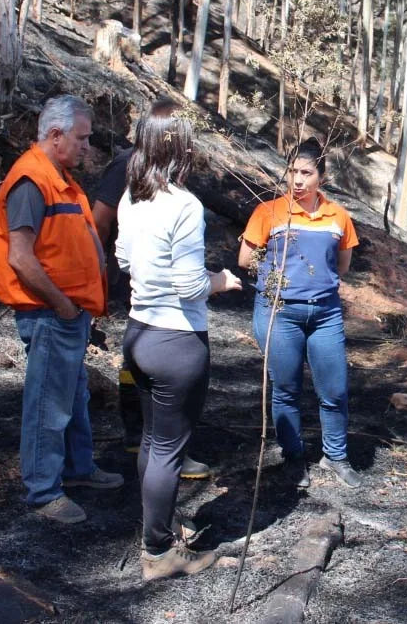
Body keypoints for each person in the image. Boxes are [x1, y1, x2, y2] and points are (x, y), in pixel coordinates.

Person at [116, 112, 243, 580]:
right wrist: (223, 280)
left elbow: (125, 259)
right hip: (176, 341)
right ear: (182, 150)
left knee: (152, 440)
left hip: (139, 334)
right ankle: (158, 553)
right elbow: (192, 286)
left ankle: (160, 531)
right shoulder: (186, 206)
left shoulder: (133, 197)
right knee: (168, 446)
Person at [0, 95, 124, 525]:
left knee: (74, 395)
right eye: (82, 139)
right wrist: (64, 306)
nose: (88, 147)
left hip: (68, 314)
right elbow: (21, 258)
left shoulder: (59, 177)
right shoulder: (31, 180)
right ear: (55, 135)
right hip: (51, 314)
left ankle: (77, 469)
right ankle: (44, 491)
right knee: (49, 402)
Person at [91, 98, 211, 482]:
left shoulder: (158, 183)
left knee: (143, 373)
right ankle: (141, 439)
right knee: (141, 377)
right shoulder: (129, 171)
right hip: (142, 299)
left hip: (144, 298)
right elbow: (99, 222)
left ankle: (155, 449)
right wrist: (101, 277)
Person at [237, 138, 363, 489]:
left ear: (321, 177)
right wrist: (277, 278)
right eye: (293, 171)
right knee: (286, 388)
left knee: (334, 390)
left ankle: (335, 456)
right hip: (279, 313)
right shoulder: (269, 212)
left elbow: (342, 265)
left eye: (306, 173)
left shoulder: (338, 216)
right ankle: (293, 458)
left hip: (324, 314)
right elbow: (245, 260)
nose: (298, 180)